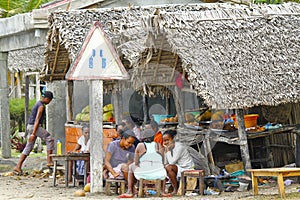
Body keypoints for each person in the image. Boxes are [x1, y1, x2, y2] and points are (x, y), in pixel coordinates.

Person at [13, 91, 55, 174]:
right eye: (49, 100)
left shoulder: (38, 103)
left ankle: (18, 166)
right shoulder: (41, 106)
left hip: (30, 126)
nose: (49, 102)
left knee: (29, 146)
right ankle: (49, 161)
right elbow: (37, 120)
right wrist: (33, 133)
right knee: (49, 138)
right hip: (34, 127)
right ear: (46, 98)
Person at [119, 129, 166, 198]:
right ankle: (162, 191)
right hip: (159, 174)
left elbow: (136, 161)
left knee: (132, 166)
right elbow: (162, 162)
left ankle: (130, 191)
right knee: (161, 167)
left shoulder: (140, 145)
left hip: (144, 174)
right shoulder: (159, 146)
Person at [162, 129, 195, 195]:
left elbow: (171, 162)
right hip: (178, 168)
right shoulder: (169, 147)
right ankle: (168, 189)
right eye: (164, 141)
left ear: (173, 139)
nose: (166, 143)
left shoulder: (179, 146)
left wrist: (167, 150)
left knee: (169, 168)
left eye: (167, 140)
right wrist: (165, 151)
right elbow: (165, 162)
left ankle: (175, 189)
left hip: (187, 168)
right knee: (165, 167)